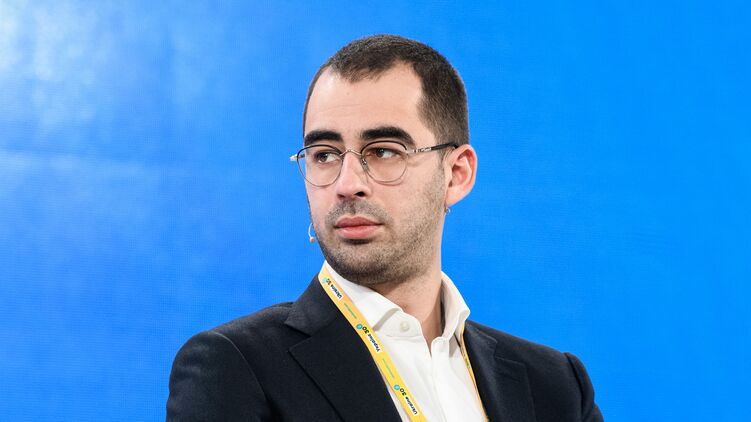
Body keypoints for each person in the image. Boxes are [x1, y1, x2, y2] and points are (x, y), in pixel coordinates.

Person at [167, 34, 603, 422]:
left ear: (456, 175)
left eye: (384, 151)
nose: (347, 184)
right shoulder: (235, 367)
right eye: (324, 154)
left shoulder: (555, 385)